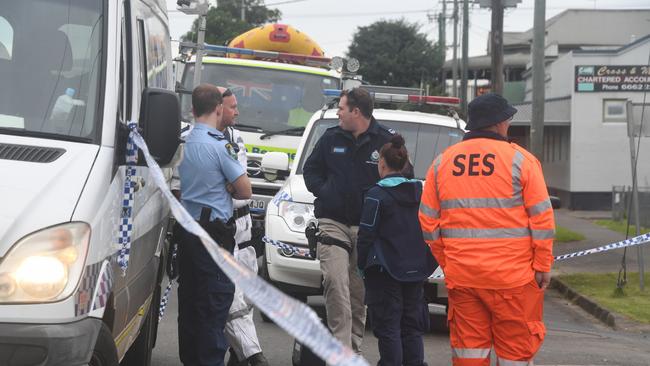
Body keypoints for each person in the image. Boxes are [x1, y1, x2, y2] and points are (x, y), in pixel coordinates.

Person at [419, 93, 555, 365]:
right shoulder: (521, 161)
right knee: (515, 354)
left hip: (465, 278)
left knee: (469, 354)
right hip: (513, 280)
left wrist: (449, 262)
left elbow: (428, 221)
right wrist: (542, 265)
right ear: (499, 123)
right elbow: (542, 219)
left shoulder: (442, 163)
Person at [303, 87, 395, 353]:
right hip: (333, 222)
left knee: (357, 293)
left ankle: (352, 349)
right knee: (334, 281)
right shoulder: (331, 138)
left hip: (367, 229)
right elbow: (311, 170)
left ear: (356, 111)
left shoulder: (386, 141)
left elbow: (401, 178)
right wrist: (326, 192)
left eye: (341, 108)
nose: (338, 113)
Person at [177, 83, 252, 366]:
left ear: (193, 109)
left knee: (191, 303)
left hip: (187, 230)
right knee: (214, 303)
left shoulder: (184, 141)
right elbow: (245, 191)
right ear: (219, 108)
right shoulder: (221, 147)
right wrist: (226, 187)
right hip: (213, 235)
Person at [357, 134, 436, 366]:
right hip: (416, 270)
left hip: (385, 271)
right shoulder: (421, 194)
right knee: (412, 325)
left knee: (388, 325)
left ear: (381, 163)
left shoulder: (376, 196)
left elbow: (366, 236)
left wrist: (361, 265)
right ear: (406, 162)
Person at [216, 87, 269, 366]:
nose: (237, 111)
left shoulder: (237, 139)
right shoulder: (197, 138)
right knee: (231, 302)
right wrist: (228, 186)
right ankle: (253, 356)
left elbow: (242, 187)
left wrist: (230, 186)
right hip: (220, 229)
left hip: (244, 228)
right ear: (217, 108)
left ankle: (238, 356)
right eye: (232, 106)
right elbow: (220, 187)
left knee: (245, 298)